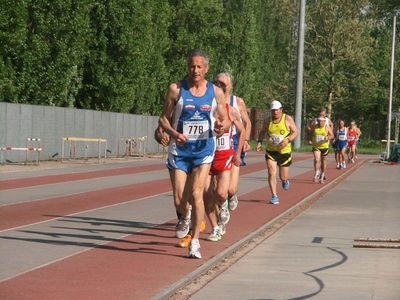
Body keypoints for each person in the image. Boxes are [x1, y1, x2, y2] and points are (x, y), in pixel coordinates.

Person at [158, 49, 231, 259]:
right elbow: (163, 118)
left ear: (206, 69)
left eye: (200, 67)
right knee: (180, 199)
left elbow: (224, 119)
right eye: (192, 66)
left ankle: (195, 241)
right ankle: (185, 215)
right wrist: (174, 133)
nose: (195, 70)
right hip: (180, 150)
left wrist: (221, 127)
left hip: (204, 150)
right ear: (187, 66)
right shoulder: (176, 89)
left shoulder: (215, 92)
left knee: (197, 194)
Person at [203, 80, 245, 242]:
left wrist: (238, 153)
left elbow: (242, 131)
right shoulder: (205, 110)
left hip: (224, 155)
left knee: (221, 192)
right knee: (207, 194)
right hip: (206, 156)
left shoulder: (231, 111)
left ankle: (224, 205)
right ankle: (215, 227)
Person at [214, 73, 252, 212]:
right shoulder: (211, 102)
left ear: (230, 86)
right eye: (218, 83)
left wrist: (246, 140)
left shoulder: (237, 102)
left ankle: (231, 195)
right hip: (215, 144)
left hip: (235, 142)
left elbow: (247, 123)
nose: (221, 86)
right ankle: (219, 209)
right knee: (216, 187)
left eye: (224, 83)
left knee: (231, 188)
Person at [256, 100, 299, 204]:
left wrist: (288, 140)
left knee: (283, 176)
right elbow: (262, 132)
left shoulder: (287, 119)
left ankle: (285, 181)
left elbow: (296, 132)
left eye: (277, 110)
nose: (275, 112)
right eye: (273, 110)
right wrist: (260, 142)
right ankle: (274, 196)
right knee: (271, 172)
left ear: (281, 110)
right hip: (271, 151)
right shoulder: (267, 121)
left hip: (284, 152)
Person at [309, 116, 334, 183]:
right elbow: (311, 132)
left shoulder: (326, 127)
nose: (320, 122)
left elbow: (332, 135)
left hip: (324, 147)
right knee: (317, 159)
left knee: (323, 161)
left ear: (324, 121)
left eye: (321, 121)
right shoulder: (315, 126)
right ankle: (317, 173)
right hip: (316, 146)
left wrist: (328, 138)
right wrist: (310, 139)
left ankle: (322, 174)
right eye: (319, 121)